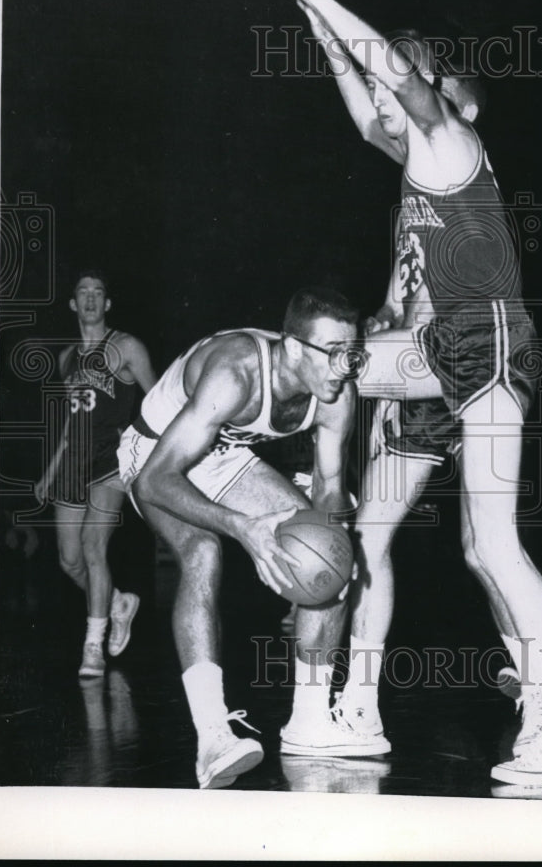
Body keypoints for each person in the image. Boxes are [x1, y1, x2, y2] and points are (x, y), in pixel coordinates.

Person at [253, 0, 542, 785]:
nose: (379, 100)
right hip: (434, 356)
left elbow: (389, 73)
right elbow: (360, 91)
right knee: (364, 529)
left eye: (394, 82)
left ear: (427, 86)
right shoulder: (407, 156)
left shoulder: (448, 143)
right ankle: (356, 707)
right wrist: (305, 10)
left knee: (490, 546)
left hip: (485, 347)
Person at [117, 287, 373, 789]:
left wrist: (329, 553)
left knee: (333, 556)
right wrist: (244, 529)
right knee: (203, 551)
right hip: (155, 455)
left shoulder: (337, 395)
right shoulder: (235, 374)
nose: (344, 367)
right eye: (334, 353)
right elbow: (155, 480)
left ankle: (310, 722)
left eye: (352, 353)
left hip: (224, 458)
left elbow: (328, 490)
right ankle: (213, 737)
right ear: (294, 348)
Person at [36, 270, 156, 678]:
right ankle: (118, 601)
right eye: (82, 292)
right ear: (73, 303)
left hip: (111, 463)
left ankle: (92, 647)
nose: (90, 299)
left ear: (107, 304)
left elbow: (160, 403)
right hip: (72, 463)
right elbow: (69, 423)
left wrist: (143, 449)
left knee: (92, 547)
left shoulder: (126, 346)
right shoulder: (65, 357)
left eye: (98, 292)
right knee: (69, 562)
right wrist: (49, 472)